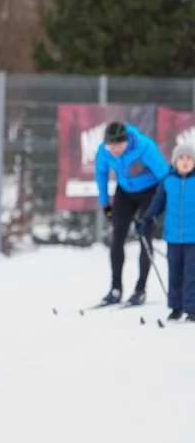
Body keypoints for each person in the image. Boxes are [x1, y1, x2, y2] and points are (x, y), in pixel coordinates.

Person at [95, 121, 170, 307]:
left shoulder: (144, 147)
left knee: (145, 235)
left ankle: (140, 289)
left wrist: (155, 210)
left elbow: (166, 177)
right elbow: (101, 174)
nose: (114, 150)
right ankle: (115, 288)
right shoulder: (103, 152)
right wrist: (105, 204)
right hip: (125, 192)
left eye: (118, 145)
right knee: (117, 237)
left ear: (127, 141)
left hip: (150, 192)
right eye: (110, 145)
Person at [137, 142, 195, 322]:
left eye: (189, 159)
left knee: (191, 273)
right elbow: (158, 203)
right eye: (181, 159)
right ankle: (176, 307)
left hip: (193, 237)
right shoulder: (167, 181)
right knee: (175, 272)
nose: (185, 162)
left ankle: (192, 308)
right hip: (173, 236)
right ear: (174, 162)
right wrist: (148, 218)